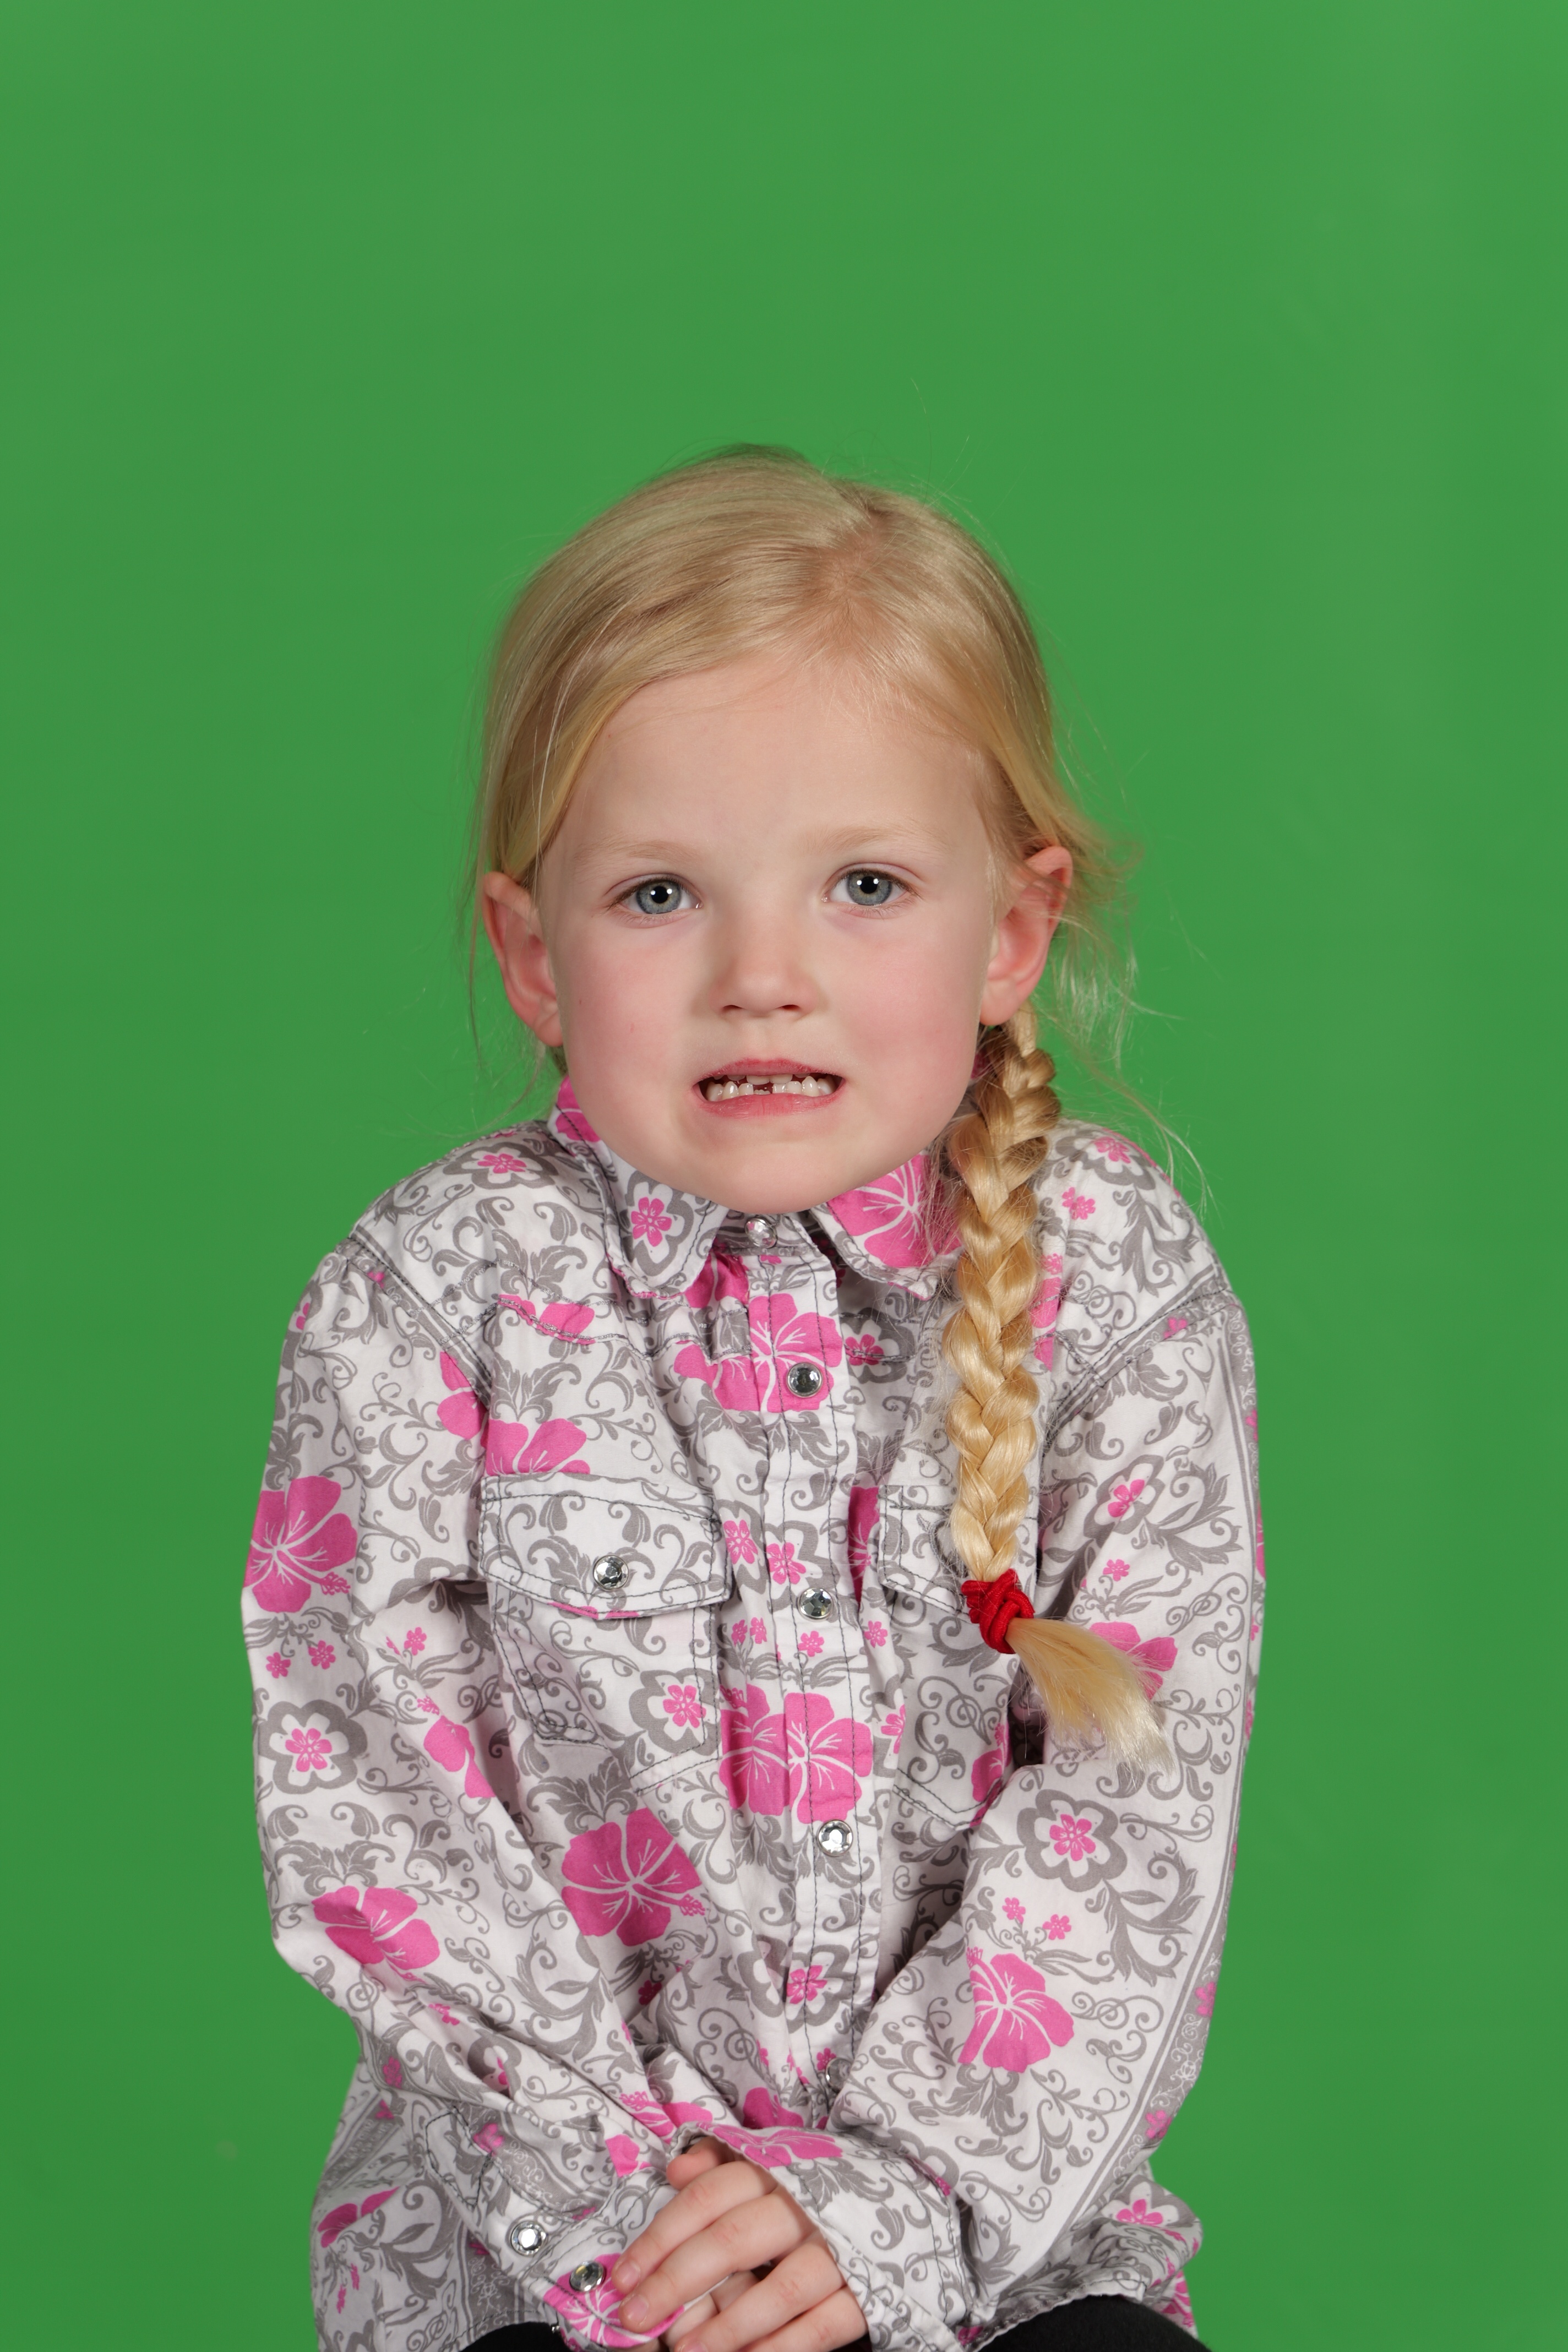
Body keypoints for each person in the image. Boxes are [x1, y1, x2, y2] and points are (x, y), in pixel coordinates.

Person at [244, 448, 1261, 2352]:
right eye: (660, 894)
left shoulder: (1112, 1284)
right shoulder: (430, 1300)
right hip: (560, 2256)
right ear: (535, 954)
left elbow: (1137, 1821)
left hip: (997, 2251)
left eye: (865, 886)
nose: (763, 977)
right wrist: (645, 2233)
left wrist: (896, 2201)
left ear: (1012, 930)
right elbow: (378, 1820)